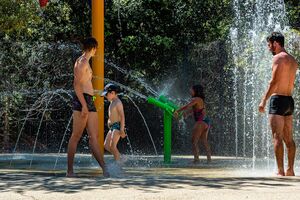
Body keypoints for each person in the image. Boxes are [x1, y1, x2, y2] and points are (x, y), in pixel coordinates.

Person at [67, 37, 108, 177]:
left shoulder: (86, 62)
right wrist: (84, 105)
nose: (97, 51)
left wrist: (94, 94)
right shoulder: (82, 62)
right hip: (81, 101)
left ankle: (105, 169)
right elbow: (76, 85)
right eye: (96, 48)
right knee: (76, 136)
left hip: (88, 100)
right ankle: (69, 171)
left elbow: (85, 84)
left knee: (94, 137)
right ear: (92, 48)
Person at [259, 32, 298, 176]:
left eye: (269, 44)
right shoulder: (293, 60)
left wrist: (264, 100)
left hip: (278, 100)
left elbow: (274, 82)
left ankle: (280, 171)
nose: (269, 48)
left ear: (276, 43)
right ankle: (291, 170)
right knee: (289, 138)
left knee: (277, 137)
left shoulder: (277, 58)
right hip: (289, 100)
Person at [174, 84, 211, 163]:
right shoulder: (200, 100)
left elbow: (187, 106)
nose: (190, 91)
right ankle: (209, 160)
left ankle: (196, 159)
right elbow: (197, 110)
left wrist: (177, 111)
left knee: (194, 141)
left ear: (195, 91)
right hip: (206, 122)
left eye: (191, 89)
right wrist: (187, 114)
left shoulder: (196, 99)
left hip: (200, 122)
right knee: (204, 141)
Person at [102, 83, 127, 162]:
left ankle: (118, 165)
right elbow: (112, 114)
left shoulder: (118, 102)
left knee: (112, 147)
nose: (105, 96)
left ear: (112, 93)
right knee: (106, 146)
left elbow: (122, 116)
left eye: (106, 94)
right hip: (112, 126)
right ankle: (120, 157)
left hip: (117, 126)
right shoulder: (112, 102)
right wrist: (109, 121)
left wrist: (122, 129)